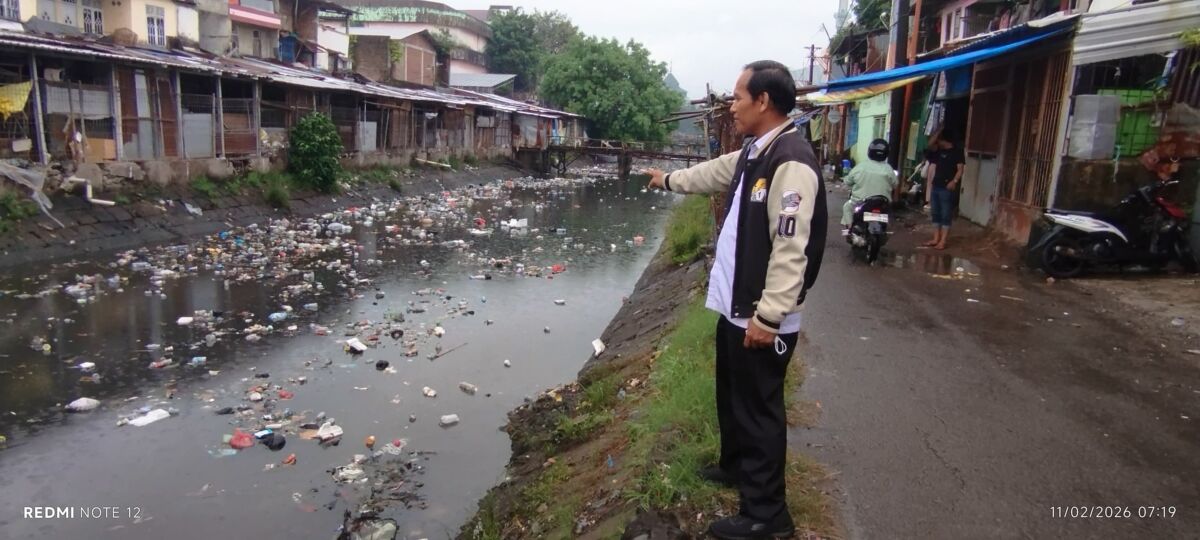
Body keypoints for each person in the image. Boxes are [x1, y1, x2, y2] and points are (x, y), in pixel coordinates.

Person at [646, 60, 827, 540]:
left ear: (763, 101)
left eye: (738, 97)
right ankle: (737, 467)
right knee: (732, 395)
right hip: (735, 306)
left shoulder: (790, 160)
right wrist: (666, 180)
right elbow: (711, 173)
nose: (732, 105)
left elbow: (793, 249)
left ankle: (768, 515)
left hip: (761, 314)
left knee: (759, 408)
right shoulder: (755, 153)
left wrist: (769, 316)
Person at [841, 138, 898, 230]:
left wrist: (846, 183)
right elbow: (895, 184)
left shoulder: (860, 167)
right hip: (883, 202)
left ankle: (849, 228)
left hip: (860, 202)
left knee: (847, 207)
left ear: (870, 152)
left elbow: (848, 181)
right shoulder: (889, 169)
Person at [924, 130, 964, 249]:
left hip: (947, 187)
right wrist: (939, 130)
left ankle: (943, 240)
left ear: (944, 140)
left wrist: (954, 181)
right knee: (935, 212)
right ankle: (936, 238)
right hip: (936, 185)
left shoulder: (957, 152)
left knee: (946, 214)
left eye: (939, 139)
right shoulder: (939, 151)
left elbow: (960, 169)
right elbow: (930, 144)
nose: (937, 142)